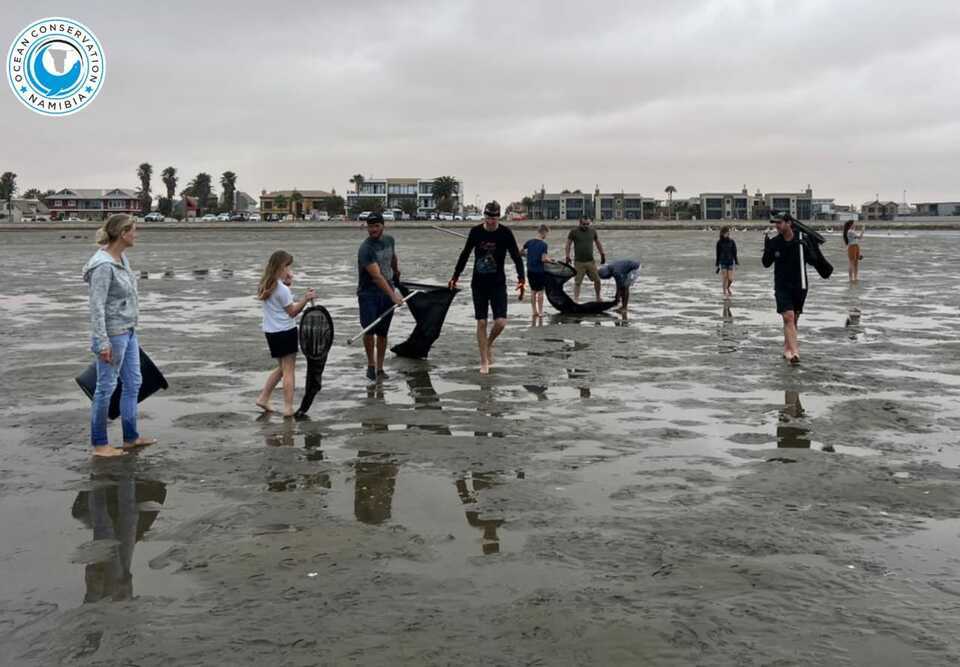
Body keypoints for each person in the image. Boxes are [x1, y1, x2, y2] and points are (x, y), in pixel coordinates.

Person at [83, 214, 156, 457]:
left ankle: (130, 437)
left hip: (129, 330)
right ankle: (100, 444)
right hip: (113, 334)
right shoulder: (103, 266)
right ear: (123, 233)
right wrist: (102, 342)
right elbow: (96, 307)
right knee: (105, 388)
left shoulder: (121, 258)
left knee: (134, 382)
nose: (136, 234)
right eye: (134, 230)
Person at [448, 201, 525, 375]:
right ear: (485, 216)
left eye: (494, 217)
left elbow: (516, 256)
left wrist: (522, 278)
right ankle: (484, 360)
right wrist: (455, 276)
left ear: (499, 217)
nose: (491, 221)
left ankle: (488, 343)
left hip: (498, 283)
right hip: (479, 284)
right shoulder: (475, 232)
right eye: (488, 217)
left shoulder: (505, 233)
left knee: (501, 322)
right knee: (481, 322)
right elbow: (465, 254)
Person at [256, 250, 316, 416]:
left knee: (282, 368)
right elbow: (292, 312)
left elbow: (278, 303)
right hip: (285, 331)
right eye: (287, 266)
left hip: (271, 332)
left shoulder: (266, 284)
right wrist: (306, 298)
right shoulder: (281, 289)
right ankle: (288, 408)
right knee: (288, 370)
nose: (289, 270)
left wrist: (288, 284)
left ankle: (263, 397)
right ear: (280, 267)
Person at [762, 213, 821, 364]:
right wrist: (767, 247)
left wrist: (809, 246)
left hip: (800, 285)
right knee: (788, 316)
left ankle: (787, 348)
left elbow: (814, 260)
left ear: (789, 223)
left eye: (780, 223)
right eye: (775, 223)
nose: (777, 226)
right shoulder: (775, 242)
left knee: (793, 319)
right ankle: (795, 352)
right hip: (782, 285)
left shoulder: (801, 240)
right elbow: (766, 263)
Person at [357, 213, 404, 382]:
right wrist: (393, 296)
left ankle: (380, 368)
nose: (373, 230)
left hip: (387, 290)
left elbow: (392, 256)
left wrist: (396, 272)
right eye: (370, 226)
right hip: (368, 294)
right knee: (369, 330)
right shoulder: (366, 249)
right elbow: (377, 277)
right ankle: (371, 364)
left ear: (383, 226)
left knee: (383, 333)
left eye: (376, 226)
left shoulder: (389, 240)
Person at [564, 218, 606, 302]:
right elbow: (568, 244)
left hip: (590, 261)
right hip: (579, 262)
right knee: (578, 282)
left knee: (597, 280)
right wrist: (567, 256)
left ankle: (598, 297)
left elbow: (598, 243)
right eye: (584, 224)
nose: (586, 226)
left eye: (587, 224)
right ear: (579, 223)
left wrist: (602, 254)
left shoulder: (593, 231)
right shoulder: (573, 232)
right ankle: (576, 300)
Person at [521, 224, 551, 318]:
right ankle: (541, 311)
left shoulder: (529, 242)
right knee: (541, 292)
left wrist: (528, 256)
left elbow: (520, 252)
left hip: (530, 270)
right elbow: (543, 259)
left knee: (533, 291)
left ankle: (534, 311)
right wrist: (550, 260)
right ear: (544, 232)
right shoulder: (544, 245)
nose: (546, 235)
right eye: (546, 233)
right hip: (539, 271)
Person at [715, 226, 739, 297]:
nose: (728, 234)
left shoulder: (732, 241)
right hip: (723, 262)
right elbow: (718, 253)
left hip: (730, 261)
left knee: (730, 278)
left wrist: (736, 261)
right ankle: (724, 292)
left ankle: (727, 287)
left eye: (728, 232)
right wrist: (717, 263)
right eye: (726, 232)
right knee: (725, 277)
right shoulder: (719, 242)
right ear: (722, 233)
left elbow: (735, 252)